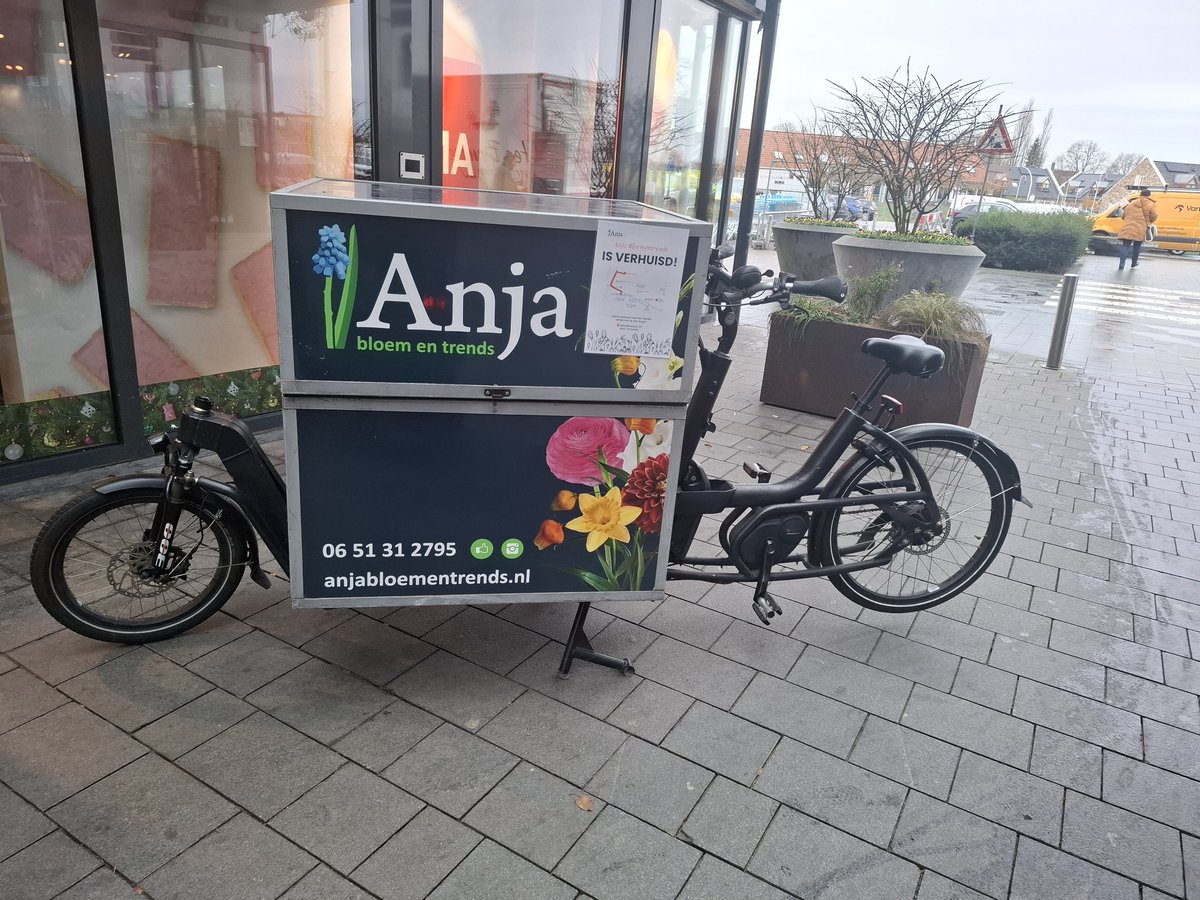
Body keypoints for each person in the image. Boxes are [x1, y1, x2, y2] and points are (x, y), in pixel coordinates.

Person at [1117, 188, 1157, 270]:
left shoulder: (1131, 203)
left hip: (1128, 227)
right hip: (1140, 228)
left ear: (1140, 195)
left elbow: (1123, 216)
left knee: (1125, 246)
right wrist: (1148, 222)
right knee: (1137, 247)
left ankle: (1122, 263)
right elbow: (1154, 216)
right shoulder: (1150, 204)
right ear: (1149, 195)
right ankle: (1134, 263)